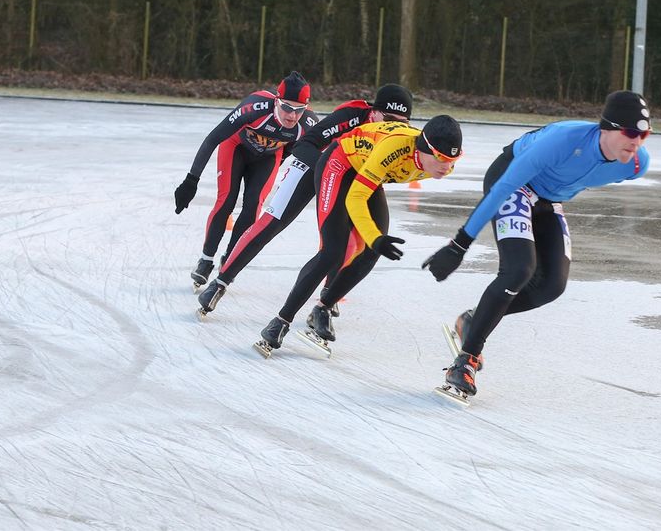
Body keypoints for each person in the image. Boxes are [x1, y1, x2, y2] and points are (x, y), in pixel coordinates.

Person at [422, 90, 652, 398]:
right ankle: (465, 361)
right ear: (606, 128)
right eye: (630, 132)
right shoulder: (562, 141)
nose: (637, 141)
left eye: (644, 134)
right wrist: (459, 245)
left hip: (549, 199)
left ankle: (473, 321)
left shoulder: (636, 164)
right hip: (514, 182)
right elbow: (504, 185)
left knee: (551, 286)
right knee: (519, 270)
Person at [195, 84, 414, 316]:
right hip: (315, 164)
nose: (394, 127)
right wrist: (325, 167)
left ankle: (328, 297)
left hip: (352, 177)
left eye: (402, 123)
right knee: (271, 222)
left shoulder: (402, 138)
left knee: (349, 241)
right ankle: (221, 282)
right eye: (389, 118)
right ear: (374, 112)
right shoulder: (351, 116)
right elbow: (304, 144)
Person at [255, 114, 463, 357]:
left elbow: (370, 186)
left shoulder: (442, 165)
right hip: (340, 162)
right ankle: (280, 321)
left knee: (372, 252)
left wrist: (375, 240)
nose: (447, 167)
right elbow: (356, 197)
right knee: (333, 252)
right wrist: (373, 236)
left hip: (369, 170)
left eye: (453, 159)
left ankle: (323, 307)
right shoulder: (394, 149)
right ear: (423, 148)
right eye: (440, 158)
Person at [174, 71, 319, 291]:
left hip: (268, 158)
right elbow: (213, 139)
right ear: (276, 101)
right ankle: (205, 259)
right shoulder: (255, 106)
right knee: (226, 201)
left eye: (299, 110)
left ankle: (229, 260)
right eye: (287, 107)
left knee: (253, 207)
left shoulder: (308, 123)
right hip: (236, 148)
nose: (292, 116)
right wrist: (191, 180)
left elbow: (303, 152)